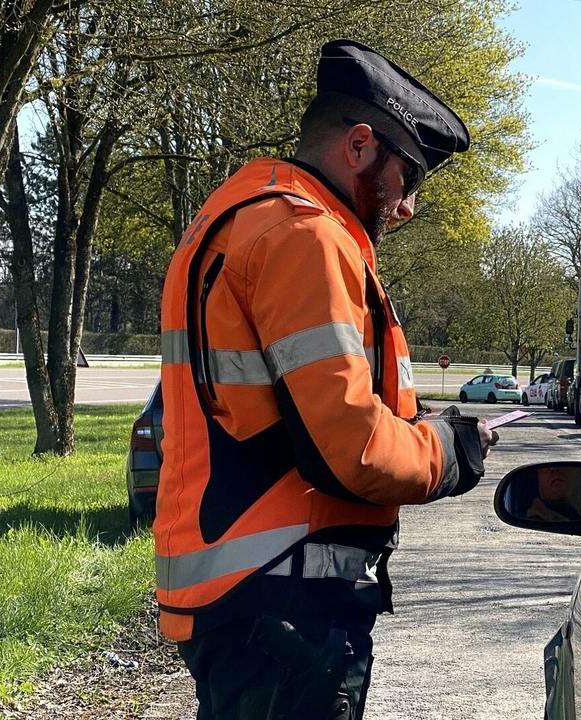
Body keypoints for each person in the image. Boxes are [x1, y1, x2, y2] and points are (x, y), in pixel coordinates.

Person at [153, 39, 497, 720]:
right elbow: (353, 450)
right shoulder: (306, 236)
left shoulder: (239, 217)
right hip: (285, 601)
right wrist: (449, 450)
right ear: (360, 147)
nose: (406, 206)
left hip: (250, 593)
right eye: (410, 178)